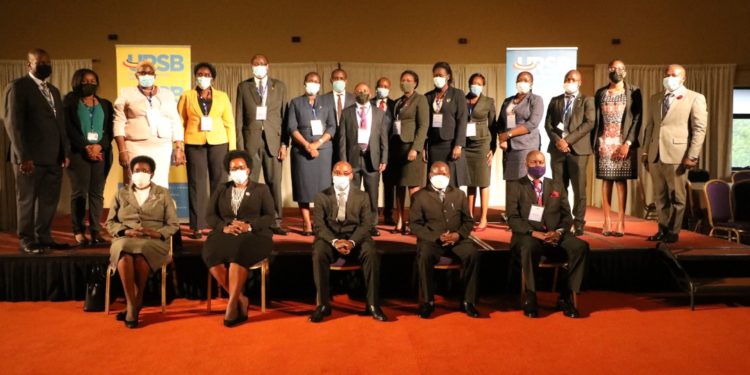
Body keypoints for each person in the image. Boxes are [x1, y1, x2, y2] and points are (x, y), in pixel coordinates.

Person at [3, 48, 71, 254]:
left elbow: (60, 124)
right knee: (27, 199)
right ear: (29, 65)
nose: (44, 65)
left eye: (47, 62)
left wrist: (65, 152)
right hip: (29, 158)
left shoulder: (54, 91)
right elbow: (13, 124)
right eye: (39, 62)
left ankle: (44, 237)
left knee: (49, 200)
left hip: (53, 156)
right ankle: (27, 239)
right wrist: (23, 156)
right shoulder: (18, 87)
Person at [506, 150, 588, 319]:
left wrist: (558, 232)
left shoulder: (556, 185)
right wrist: (534, 233)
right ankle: (531, 295)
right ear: (526, 164)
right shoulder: (516, 186)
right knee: (529, 246)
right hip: (528, 235)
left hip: (555, 234)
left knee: (580, 247)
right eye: (534, 162)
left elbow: (567, 216)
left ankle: (567, 295)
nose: (538, 165)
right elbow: (513, 218)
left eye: (541, 162)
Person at [202, 150, 275, 327]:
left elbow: (269, 217)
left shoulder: (261, 189)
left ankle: (231, 305)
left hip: (255, 234)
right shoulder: (222, 189)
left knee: (237, 253)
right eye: (233, 168)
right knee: (210, 252)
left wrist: (248, 226)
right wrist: (224, 227)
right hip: (226, 232)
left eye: (241, 167)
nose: (237, 171)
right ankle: (240, 299)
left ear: (248, 170)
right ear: (229, 171)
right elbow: (210, 216)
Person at [105, 156, 179, 328]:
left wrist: (156, 233)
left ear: (152, 174)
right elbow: (110, 223)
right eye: (137, 170)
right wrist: (125, 231)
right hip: (125, 237)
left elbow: (173, 224)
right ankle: (133, 304)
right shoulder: (121, 193)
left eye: (145, 171)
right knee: (124, 251)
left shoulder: (162, 193)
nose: (141, 174)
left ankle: (137, 302)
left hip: (153, 240)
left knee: (141, 253)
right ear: (131, 172)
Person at [309, 161, 386, 322]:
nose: (341, 176)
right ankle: (323, 305)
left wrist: (351, 242)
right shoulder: (321, 196)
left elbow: (366, 225)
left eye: (345, 173)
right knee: (318, 252)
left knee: (371, 252)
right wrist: (335, 241)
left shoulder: (362, 196)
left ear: (351, 175)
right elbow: (319, 226)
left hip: (355, 238)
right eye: (337, 173)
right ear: (332, 175)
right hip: (331, 238)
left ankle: (372, 304)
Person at [642, 64, 708, 243]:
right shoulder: (655, 98)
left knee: (677, 197)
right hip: (656, 153)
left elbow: (699, 129)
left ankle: (673, 231)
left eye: (674, 74)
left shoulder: (694, 98)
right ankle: (662, 229)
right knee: (660, 196)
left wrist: (692, 155)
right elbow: (650, 126)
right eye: (667, 74)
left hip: (678, 155)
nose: (669, 77)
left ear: (683, 78)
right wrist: (645, 152)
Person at [410, 161, 480, 319]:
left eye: (445, 174)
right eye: (437, 174)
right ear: (430, 176)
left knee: (472, 254)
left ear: (449, 175)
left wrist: (458, 235)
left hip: (457, 239)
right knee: (424, 255)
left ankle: (468, 301)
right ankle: (428, 301)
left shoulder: (459, 194)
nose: (441, 176)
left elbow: (468, 221)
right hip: (432, 241)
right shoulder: (419, 196)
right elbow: (415, 225)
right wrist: (435, 237)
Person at [177, 62, 236, 239]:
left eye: (207, 74)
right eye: (200, 74)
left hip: (219, 143)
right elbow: (180, 122)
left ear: (213, 78)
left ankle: (219, 223)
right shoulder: (187, 96)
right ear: (196, 77)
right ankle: (197, 226)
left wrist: (232, 150)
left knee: (219, 184)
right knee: (197, 184)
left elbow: (229, 123)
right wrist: (179, 146)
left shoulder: (222, 96)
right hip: (194, 143)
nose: (203, 77)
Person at [235, 54, 289, 235]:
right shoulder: (243, 87)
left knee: (274, 182)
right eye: (256, 64)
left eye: (262, 64)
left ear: (268, 66)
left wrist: (284, 144)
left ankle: (275, 221)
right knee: (250, 184)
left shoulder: (279, 86)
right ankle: (250, 220)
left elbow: (285, 117)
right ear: (251, 66)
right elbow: (239, 118)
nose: (259, 66)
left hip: (273, 141)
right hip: (251, 142)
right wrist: (241, 148)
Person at [113, 60, 185, 187]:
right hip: (135, 146)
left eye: (150, 73)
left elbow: (175, 120)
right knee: (136, 182)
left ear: (155, 76)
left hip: (162, 147)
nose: (146, 75)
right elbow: (118, 122)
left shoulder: (167, 94)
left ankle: (158, 207)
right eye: (143, 73)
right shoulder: (126, 93)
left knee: (160, 183)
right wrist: (122, 150)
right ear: (137, 76)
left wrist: (179, 147)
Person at [63, 68, 114, 247]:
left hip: (100, 153)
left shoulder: (105, 104)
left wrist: (99, 146)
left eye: (93, 81)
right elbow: (68, 129)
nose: (89, 84)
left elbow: (109, 131)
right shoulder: (70, 103)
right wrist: (86, 147)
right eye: (85, 81)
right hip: (78, 153)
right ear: (77, 82)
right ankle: (78, 230)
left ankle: (95, 230)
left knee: (97, 193)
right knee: (79, 193)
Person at [544, 70, 596, 236]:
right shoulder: (555, 100)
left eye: (574, 80)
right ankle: (563, 220)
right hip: (557, 149)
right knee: (559, 187)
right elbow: (548, 124)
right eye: (568, 79)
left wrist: (568, 140)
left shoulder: (587, 100)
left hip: (578, 150)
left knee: (579, 188)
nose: (570, 81)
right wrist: (558, 141)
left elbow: (589, 123)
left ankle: (579, 222)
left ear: (579, 83)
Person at [593, 60, 642, 237]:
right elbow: (596, 119)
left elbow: (637, 119)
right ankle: (607, 220)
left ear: (625, 72)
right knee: (606, 180)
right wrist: (597, 141)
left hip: (623, 143)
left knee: (621, 181)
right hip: (604, 141)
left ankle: (621, 220)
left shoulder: (634, 91)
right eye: (613, 68)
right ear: (608, 71)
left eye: (620, 68)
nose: (616, 71)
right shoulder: (601, 92)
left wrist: (628, 143)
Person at [287, 72, 337, 235]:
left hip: (323, 151)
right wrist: (308, 145)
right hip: (302, 151)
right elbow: (291, 128)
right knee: (303, 188)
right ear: (304, 83)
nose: (313, 84)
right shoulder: (295, 102)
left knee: (323, 190)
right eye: (310, 81)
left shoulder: (327, 103)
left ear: (320, 85)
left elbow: (332, 127)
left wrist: (317, 143)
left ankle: (320, 222)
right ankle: (307, 223)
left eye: (316, 81)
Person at [337, 83, 388, 237]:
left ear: (370, 92)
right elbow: (342, 140)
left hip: (372, 159)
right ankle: (353, 224)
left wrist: (384, 159)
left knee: (372, 195)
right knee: (352, 195)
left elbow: (383, 138)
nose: (362, 93)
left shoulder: (379, 113)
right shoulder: (346, 113)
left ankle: (372, 225)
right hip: (352, 160)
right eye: (359, 91)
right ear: (354, 93)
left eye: (365, 91)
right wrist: (343, 162)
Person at [391, 70, 429, 235]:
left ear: (415, 83)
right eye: (402, 79)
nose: (405, 82)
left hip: (411, 149)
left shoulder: (420, 100)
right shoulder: (398, 102)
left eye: (408, 80)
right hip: (397, 148)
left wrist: (416, 148)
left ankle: (415, 223)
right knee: (399, 187)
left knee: (413, 187)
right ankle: (400, 220)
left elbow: (423, 125)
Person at [425, 61, 468, 187]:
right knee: (435, 181)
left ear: (448, 76)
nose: (437, 78)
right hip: (433, 145)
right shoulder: (428, 96)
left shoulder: (458, 94)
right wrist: (423, 147)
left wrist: (458, 145)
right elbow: (425, 123)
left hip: (450, 145)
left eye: (440, 75)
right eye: (435, 75)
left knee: (451, 182)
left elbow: (462, 120)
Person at [497, 71, 544, 183]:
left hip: (526, 146)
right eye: (519, 80)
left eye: (525, 80)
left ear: (531, 84)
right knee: (511, 182)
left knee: (525, 182)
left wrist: (508, 135)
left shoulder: (536, 100)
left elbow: (532, 123)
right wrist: (502, 138)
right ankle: (512, 201)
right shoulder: (508, 101)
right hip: (509, 148)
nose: (522, 82)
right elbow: (500, 123)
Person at [464, 73, 497, 231]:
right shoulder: (463, 100)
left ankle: (483, 218)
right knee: (470, 182)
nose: (475, 85)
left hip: (483, 144)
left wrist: (493, 148)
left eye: (479, 83)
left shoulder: (488, 101)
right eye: (473, 83)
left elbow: (493, 126)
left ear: (483, 86)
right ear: (469, 84)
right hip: (466, 145)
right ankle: (469, 216)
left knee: (483, 181)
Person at [372, 77, 398, 226]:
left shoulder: (395, 105)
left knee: (389, 185)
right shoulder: (368, 103)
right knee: (372, 185)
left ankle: (388, 214)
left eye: (386, 86)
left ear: (389, 88)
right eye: (380, 85)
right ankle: (372, 215)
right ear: (376, 87)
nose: (383, 88)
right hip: (372, 150)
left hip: (391, 151)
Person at [319, 68, 355, 166]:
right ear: (331, 80)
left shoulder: (354, 99)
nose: (339, 80)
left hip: (348, 143)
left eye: (341, 78)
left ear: (346, 81)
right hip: (328, 142)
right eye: (336, 78)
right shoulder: (322, 99)